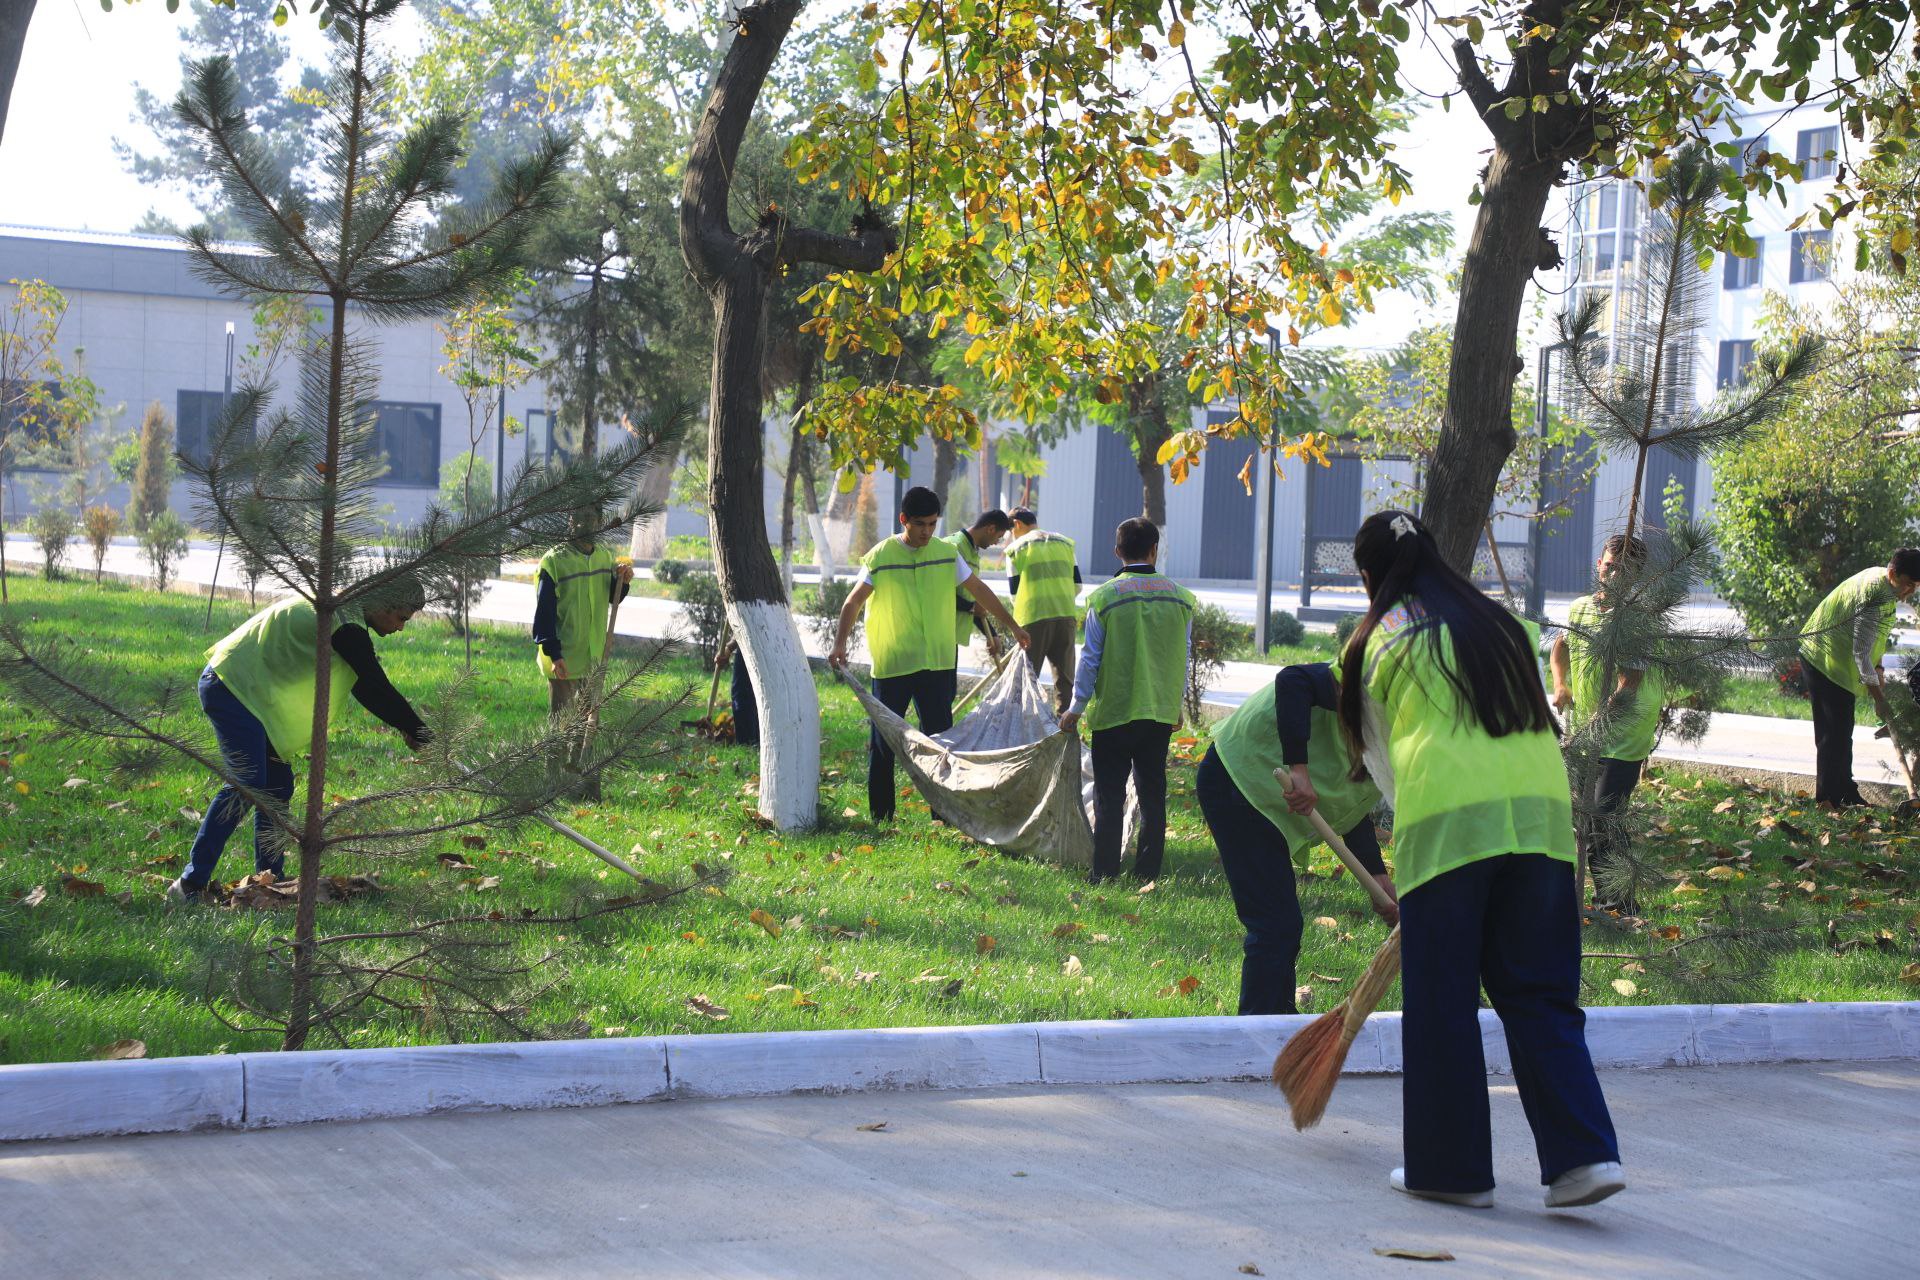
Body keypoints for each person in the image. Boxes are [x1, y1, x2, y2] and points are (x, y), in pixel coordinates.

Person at [1340, 509, 1623, 1211]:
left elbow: (1384, 770)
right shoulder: (1501, 625)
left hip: (1447, 826)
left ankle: (1451, 1171)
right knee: (1540, 993)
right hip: (1540, 824)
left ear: (1369, 577)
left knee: (1442, 1004)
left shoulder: (1377, 643)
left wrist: (1418, 860)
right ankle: (1584, 1159)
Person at [169, 584, 431, 903]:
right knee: (248, 783)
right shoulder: (344, 622)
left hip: (256, 696)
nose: (400, 628)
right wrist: (416, 729)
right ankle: (188, 885)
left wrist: (407, 725)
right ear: (382, 603)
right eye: (401, 618)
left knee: (277, 787)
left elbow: (364, 684)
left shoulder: (344, 614)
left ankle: (270, 882)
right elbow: (372, 683)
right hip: (232, 686)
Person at [1197, 659, 1396, 1012]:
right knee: (1276, 923)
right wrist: (1298, 769)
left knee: (1281, 925)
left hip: (1269, 800)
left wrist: (1377, 876)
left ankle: (1276, 1018)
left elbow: (1353, 803)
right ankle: (1260, 1026)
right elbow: (1293, 681)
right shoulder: (1381, 686)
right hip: (1242, 776)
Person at [830, 486, 1029, 823]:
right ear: (903, 520)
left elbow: (979, 591)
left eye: (933, 525)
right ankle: (882, 816)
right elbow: (853, 601)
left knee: (941, 743)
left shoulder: (945, 554)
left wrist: (1012, 626)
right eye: (920, 524)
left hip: (936, 663)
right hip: (894, 665)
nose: (926, 532)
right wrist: (839, 644)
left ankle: (943, 815)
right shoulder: (881, 555)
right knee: (884, 743)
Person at [1060, 517, 1194, 883]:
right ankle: (1146, 873)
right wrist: (1175, 703)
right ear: (1155, 550)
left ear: (1117, 551)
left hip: (1114, 713)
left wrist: (1076, 707)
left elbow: (1090, 658)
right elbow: (1182, 655)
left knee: (1109, 796)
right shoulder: (1180, 598)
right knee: (1152, 794)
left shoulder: (1104, 599)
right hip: (1158, 713)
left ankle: (1104, 872)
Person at [1549, 533, 1667, 906]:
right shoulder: (1581, 608)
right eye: (1610, 567)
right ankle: (1606, 899)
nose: (1615, 576)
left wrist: (1599, 721)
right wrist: (1561, 685)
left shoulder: (1638, 619)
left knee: (1604, 812)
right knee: (1588, 815)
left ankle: (1619, 901)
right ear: (1598, 566)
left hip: (1626, 728)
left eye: (1625, 571)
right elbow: (1559, 648)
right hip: (1587, 728)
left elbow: (1629, 683)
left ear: (1638, 577)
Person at [1798, 550, 1920, 807]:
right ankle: (1830, 800)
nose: (1910, 591)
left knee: (1843, 732)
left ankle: (1845, 793)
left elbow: (1876, 639)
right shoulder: (1875, 596)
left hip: (1838, 660)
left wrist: (1880, 669)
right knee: (1833, 735)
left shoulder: (1887, 588)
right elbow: (1861, 654)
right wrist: (1879, 699)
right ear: (1892, 573)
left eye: (1916, 586)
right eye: (1908, 583)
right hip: (1823, 657)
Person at [532, 518, 635, 800]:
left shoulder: (603, 556)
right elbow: (544, 613)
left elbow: (613, 598)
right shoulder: (554, 561)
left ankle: (584, 788)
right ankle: (552, 787)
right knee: (562, 726)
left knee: (590, 726)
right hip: (563, 660)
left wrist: (621, 582)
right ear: (570, 522)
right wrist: (553, 653)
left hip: (593, 657)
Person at [1005, 507, 1082, 714]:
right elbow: (1078, 586)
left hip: (1032, 619)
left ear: (1017, 525)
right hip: (1065, 616)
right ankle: (1064, 729)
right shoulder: (1065, 544)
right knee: (1065, 681)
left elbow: (1014, 594)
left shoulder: (1016, 549)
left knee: (1027, 678)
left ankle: (1022, 724)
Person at [943, 509, 1015, 660]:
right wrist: (970, 607)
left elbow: (974, 602)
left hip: (951, 637)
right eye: (999, 537)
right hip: (939, 635)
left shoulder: (973, 553)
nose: (996, 542)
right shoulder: (954, 547)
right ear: (990, 529)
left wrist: (991, 634)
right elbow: (941, 592)